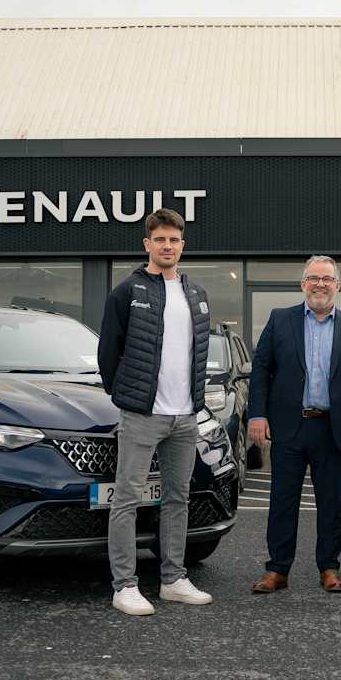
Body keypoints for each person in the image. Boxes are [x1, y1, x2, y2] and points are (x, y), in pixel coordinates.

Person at [97, 207, 213, 617]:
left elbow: (196, 353)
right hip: (143, 415)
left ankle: (173, 579)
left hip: (185, 416)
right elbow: (108, 352)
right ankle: (124, 586)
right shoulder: (127, 291)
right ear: (147, 244)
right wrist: (125, 397)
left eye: (174, 240)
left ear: (183, 245)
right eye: (160, 239)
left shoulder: (196, 294)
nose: (167, 246)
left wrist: (193, 403)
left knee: (178, 498)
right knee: (126, 499)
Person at [248, 256, 341, 594]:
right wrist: (257, 415)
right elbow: (261, 369)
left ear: (338, 285)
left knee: (331, 503)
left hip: (333, 428)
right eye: (313, 278)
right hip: (289, 426)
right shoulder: (280, 320)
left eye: (327, 279)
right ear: (303, 283)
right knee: (282, 501)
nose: (320, 284)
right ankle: (277, 570)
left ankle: (329, 567)